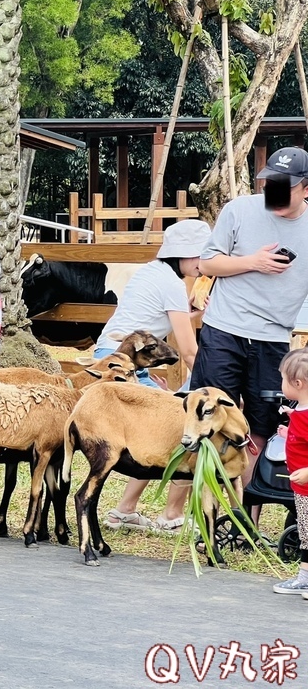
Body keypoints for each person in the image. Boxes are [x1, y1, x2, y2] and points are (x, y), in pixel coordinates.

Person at [191, 146, 308, 510]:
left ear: (305, 187)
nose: (272, 191)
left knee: (261, 426)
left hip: (273, 337)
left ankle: (244, 515)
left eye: (283, 186)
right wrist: (252, 262)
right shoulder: (239, 210)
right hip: (224, 329)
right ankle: (205, 511)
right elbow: (207, 263)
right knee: (208, 417)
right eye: (269, 182)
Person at [90, 219, 212, 532]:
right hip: (123, 365)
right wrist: (214, 377)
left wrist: (196, 314)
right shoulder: (172, 284)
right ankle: (170, 515)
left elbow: (160, 320)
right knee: (180, 429)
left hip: (111, 356)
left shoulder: (152, 272)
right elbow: (187, 350)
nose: (203, 264)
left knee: (149, 437)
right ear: (181, 255)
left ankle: (125, 510)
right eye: (200, 256)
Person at [271, 347, 308, 597]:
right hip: (301, 489)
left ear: (297, 383)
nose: (281, 384)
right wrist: (289, 433)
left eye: (283, 379)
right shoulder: (300, 413)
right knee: (306, 534)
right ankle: (304, 578)